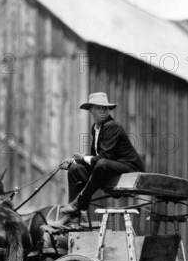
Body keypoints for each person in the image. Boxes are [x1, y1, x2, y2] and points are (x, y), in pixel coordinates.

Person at [59, 92, 146, 221]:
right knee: (75, 170)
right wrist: (73, 161)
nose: (103, 111)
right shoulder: (95, 128)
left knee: (102, 163)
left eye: (105, 108)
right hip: (109, 169)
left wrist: (82, 158)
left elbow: (103, 158)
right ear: (91, 110)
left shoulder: (112, 127)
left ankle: (79, 202)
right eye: (98, 108)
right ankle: (72, 216)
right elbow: (95, 157)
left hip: (129, 168)